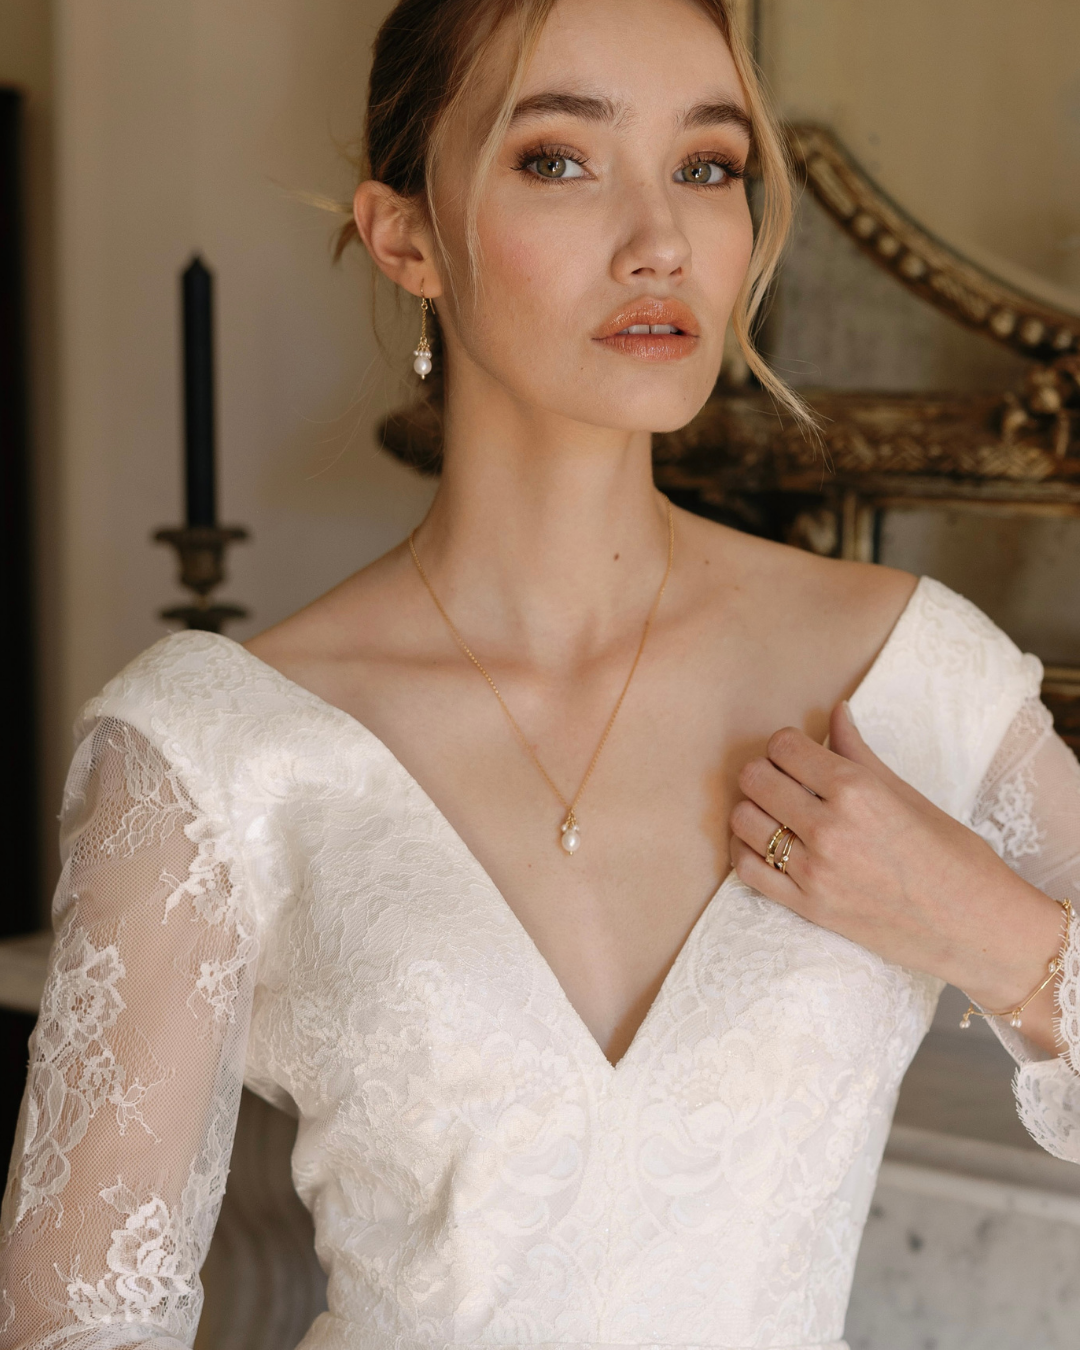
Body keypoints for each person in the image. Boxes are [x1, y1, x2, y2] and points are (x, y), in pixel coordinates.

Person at [3, 1, 1080, 1347]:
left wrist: (989, 930)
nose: (662, 240)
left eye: (708, 165)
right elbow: (77, 1325)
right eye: (559, 160)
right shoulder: (213, 750)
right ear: (406, 235)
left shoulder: (909, 674)